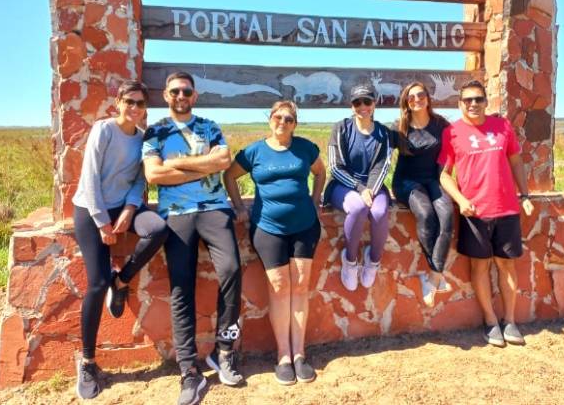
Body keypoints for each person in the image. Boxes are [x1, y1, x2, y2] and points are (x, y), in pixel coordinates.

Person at [142, 72, 243, 405]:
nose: (181, 96)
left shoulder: (209, 127)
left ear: (194, 95)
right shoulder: (156, 131)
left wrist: (179, 164)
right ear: (166, 95)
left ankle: (224, 351)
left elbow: (223, 161)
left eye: (186, 91)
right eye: (175, 91)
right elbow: (154, 173)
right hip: (176, 215)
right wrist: (204, 165)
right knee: (181, 288)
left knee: (231, 271)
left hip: (214, 209)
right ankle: (188, 370)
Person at [72, 80, 170, 400]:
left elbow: (139, 181)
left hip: (123, 206)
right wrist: (103, 222)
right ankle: (88, 362)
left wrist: (129, 209)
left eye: (141, 103)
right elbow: (89, 179)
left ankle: (123, 279)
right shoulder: (103, 130)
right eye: (130, 101)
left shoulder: (142, 139)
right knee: (97, 283)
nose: (135, 108)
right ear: (118, 102)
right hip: (90, 209)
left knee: (158, 228)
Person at [223, 101, 326, 386]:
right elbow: (229, 175)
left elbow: (320, 172)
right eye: (278, 117)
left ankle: (299, 354)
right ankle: (283, 356)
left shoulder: (305, 148)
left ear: (295, 124)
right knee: (279, 286)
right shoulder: (254, 151)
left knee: (301, 285)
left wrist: (315, 199)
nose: (283, 122)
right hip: (268, 228)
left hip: (305, 226)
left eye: (289, 119)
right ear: (270, 119)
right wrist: (238, 207)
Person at [439, 80, 534, 348]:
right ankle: (491, 321)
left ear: (485, 102)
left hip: (506, 208)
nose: (473, 104)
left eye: (478, 99)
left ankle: (510, 320)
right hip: (475, 213)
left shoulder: (503, 127)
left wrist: (525, 195)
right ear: (460, 104)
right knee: (479, 266)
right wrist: (460, 200)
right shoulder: (452, 133)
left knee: (506, 264)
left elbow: (516, 160)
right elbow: (444, 175)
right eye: (468, 100)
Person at [323, 84, 393, 291]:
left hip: (373, 185)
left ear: (374, 104)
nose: (363, 106)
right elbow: (335, 166)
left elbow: (383, 165)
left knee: (379, 212)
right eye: (357, 102)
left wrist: (370, 189)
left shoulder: (384, 133)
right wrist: (360, 188)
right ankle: (350, 261)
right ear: (351, 106)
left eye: (367, 101)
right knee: (358, 207)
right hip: (344, 184)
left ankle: (373, 261)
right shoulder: (341, 128)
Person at [391, 82, 454, 307]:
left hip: (433, 180)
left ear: (427, 98)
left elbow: (459, 142)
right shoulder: (399, 127)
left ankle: (434, 277)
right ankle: (437, 273)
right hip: (406, 182)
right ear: (406, 103)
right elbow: (379, 152)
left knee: (447, 215)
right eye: (411, 97)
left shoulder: (441, 124)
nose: (416, 100)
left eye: (420, 95)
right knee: (426, 214)